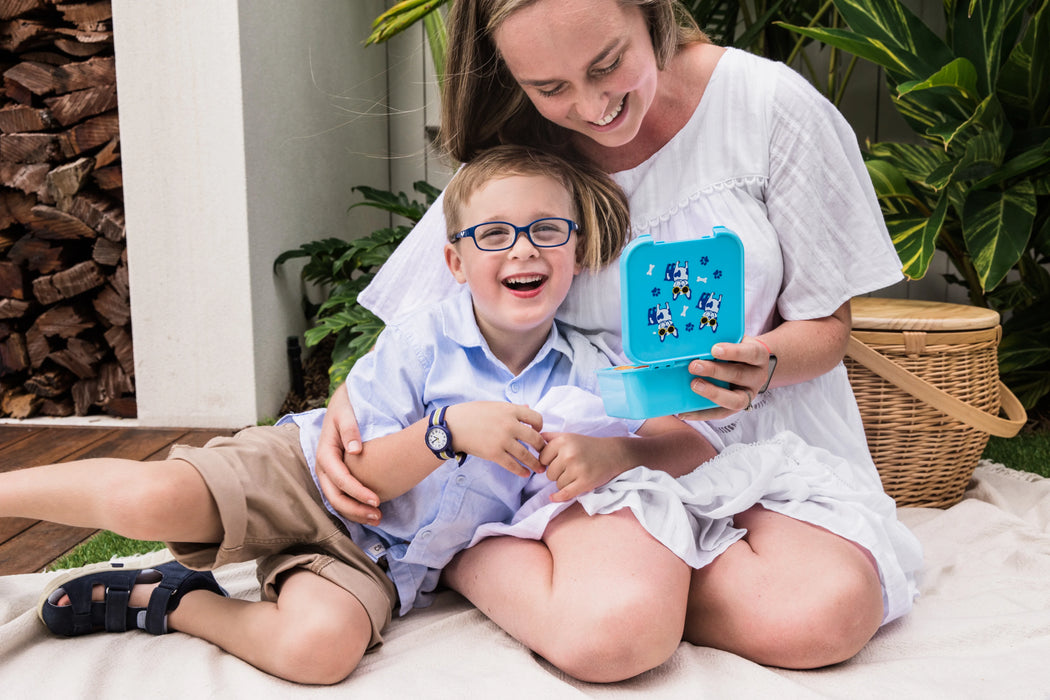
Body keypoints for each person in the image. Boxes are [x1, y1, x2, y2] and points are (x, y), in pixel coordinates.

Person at [314, 0, 924, 672]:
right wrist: (353, 399)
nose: (592, 106)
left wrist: (765, 362)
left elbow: (829, 328)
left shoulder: (767, 105)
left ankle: (609, 589)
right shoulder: (522, 143)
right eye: (550, 87)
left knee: (826, 615)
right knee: (616, 634)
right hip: (590, 461)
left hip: (756, 445)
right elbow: (426, 316)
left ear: (651, 13)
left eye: (607, 65)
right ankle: (473, 549)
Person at [2, 144, 716, 685]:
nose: (523, 248)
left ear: (577, 251)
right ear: (456, 262)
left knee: (318, 651)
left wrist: (618, 453)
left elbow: (694, 445)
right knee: (152, 500)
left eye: (546, 230)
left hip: (379, 558)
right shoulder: (422, 341)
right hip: (305, 477)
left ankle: (172, 601)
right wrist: (448, 432)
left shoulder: (589, 370)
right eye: (494, 234)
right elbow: (361, 473)